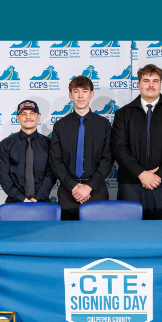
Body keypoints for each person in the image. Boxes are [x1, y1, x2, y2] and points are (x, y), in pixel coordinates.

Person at [111, 64, 162, 220]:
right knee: (130, 235)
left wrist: (158, 176)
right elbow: (119, 148)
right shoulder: (123, 114)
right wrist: (141, 174)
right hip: (130, 185)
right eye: (146, 80)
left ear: (160, 84)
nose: (151, 85)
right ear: (139, 84)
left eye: (155, 80)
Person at [49, 76, 112, 220]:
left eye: (85, 91)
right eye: (76, 91)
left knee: (98, 236)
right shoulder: (60, 125)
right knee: (68, 237)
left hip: (96, 190)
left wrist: (89, 186)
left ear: (92, 94)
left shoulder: (103, 125)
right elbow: (55, 160)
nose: (81, 95)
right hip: (68, 191)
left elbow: (107, 159)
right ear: (70, 95)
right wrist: (73, 187)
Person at [0, 100, 55, 203]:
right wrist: (21, 198)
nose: (28, 117)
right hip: (15, 202)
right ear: (17, 118)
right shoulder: (6, 145)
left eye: (32, 113)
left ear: (38, 117)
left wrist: (37, 197)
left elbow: (51, 174)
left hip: (42, 202)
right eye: (24, 114)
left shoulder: (49, 144)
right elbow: (4, 176)